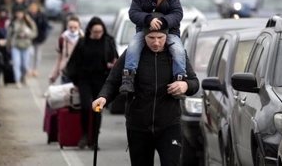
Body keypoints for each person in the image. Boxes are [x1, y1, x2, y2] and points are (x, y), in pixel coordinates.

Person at [92, 20, 199, 166]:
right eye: (151, 38)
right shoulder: (132, 54)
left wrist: (185, 85)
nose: (156, 43)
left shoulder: (176, 55)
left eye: (160, 38)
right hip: (138, 126)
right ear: (143, 37)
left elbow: (194, 83)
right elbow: (113, 81)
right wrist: (103, 97)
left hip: (169, 125)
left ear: (166, 37)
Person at [120, 0, 186, 100]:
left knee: (178, 50)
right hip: (144, 32)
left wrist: (163, 22)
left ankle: (179, 78)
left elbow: (178, 13)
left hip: (170, 32)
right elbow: (133, 13)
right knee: (133, 46)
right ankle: (128, 77)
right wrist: (148, 19)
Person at [65, 17, 118, 149]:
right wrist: (74, 80)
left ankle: (94, 138)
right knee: (85, 107)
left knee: (97, 109)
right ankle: (84, 134)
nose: (97, 34)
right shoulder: (83, 42)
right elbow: (73, 62)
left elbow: (115, 58)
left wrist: (112, 65)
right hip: (84, 80)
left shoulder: (108, 41)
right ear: (89, 30)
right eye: (95, 32)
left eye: (100, 32)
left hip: (101, 80)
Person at [7, 6, 37, 88]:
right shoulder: (13, 23)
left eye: (21, 13)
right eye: (18, 13)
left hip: (26, 45)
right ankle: (17, 80)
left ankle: (24, 76)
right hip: (15, 45)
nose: (19, 15)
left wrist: (26, 34)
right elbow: (9, 35)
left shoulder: (29, 22)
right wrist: (8, 46)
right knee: (16, 63)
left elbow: (34, 33)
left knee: (25, 64)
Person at [49, 15, 84, 84]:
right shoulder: (62, 39)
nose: (73, 30)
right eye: (70, 27)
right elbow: (59, 59)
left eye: (75, 27)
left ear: (79, 27)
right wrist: (54, 75)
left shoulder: (83, 39)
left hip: (79, 74)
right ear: (67, 27)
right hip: (65, 72)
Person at [28, 2, 51, 77]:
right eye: (32, 7)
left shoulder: (41, 16)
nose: (33, 9)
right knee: (31, 54)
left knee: (37, 54)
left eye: (34, 7)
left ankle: (35, 69)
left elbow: (47, 27)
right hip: (30, 38)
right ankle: (30, 68)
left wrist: (44, 36)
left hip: (39, 38)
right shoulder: (27, 16)